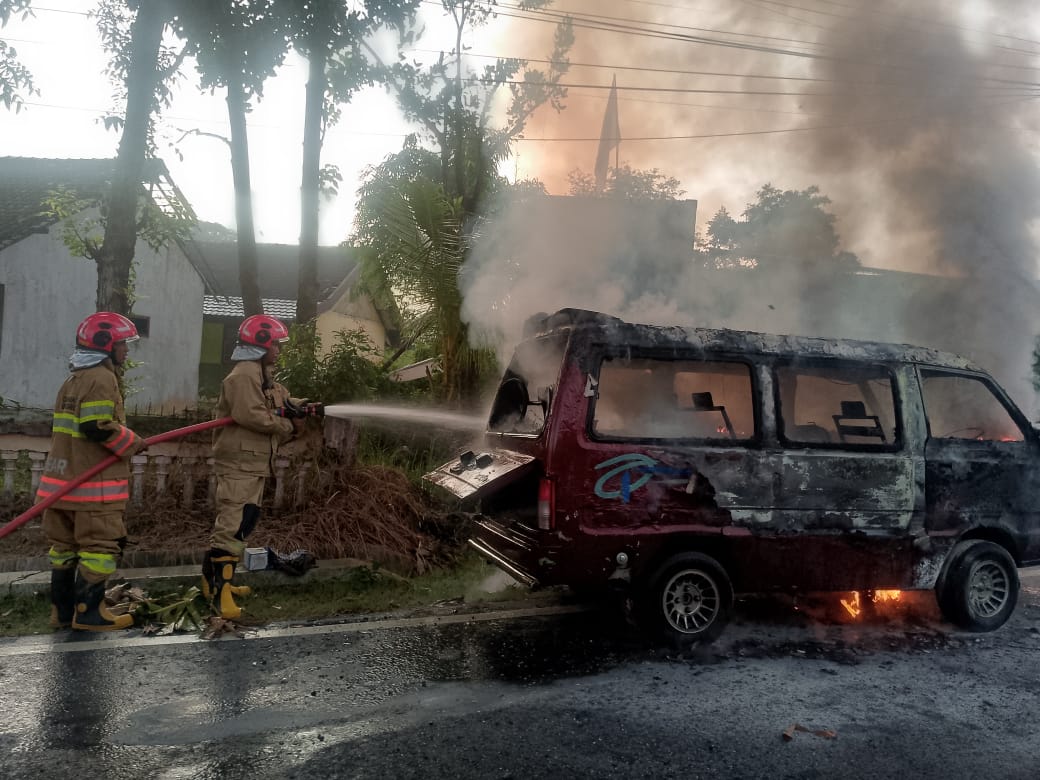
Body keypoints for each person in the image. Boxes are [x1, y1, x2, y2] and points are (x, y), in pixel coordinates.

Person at [37, 312, 147, 631]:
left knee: (63, 550)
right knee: (100, 549)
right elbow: (95, 427)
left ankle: (63, 611)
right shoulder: (102, 377)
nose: (126, 350)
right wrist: (134, 442)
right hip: (92, 490)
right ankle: (89, 614)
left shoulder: (72, 380)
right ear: (105, 345)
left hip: (61, 487)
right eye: (123, 343)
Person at [203, 314, 303, 620]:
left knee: (241, 524)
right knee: (231, 528)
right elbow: (253, 416)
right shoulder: (244, 375)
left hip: (253, 464)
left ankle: (215, 584)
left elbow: (279, 400)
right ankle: (221, 598)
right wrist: (288, 426)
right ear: (261, 344)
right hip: (239, 465)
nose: (279, 349)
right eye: (275, 343)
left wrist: (305, 406)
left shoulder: (261, 375)